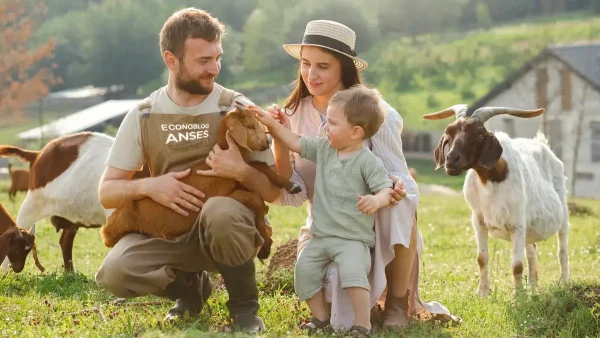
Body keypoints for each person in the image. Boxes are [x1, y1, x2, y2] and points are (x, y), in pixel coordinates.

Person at [94, 8, 281, 333]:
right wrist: (151, 187)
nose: (215, 69)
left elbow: (275, 191)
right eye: (203, 61)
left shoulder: (236, 108)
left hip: (226, 231)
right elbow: (107, 192)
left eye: (217, 58)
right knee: (114, 273)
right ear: (171, 60)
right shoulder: (144, 116)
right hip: (167, 231)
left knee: (220, 212)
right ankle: (190, 291)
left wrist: (243, 172)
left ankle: (245, 310)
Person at [268, 20, 458, 330]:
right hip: (325, 224)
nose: (311, 74)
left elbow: (400, 179)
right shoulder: (293, 115)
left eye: (323, 66)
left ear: (343, 68)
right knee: (326, 284)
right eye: (305, 64)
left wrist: (393, 187)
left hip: (370, 223)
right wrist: (279, 137)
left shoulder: (375, 114)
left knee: (401, 200)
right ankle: (333, 314)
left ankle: (398, 302)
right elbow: (293, 193)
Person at [254, 85, 395, 337]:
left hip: (352, 239)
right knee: (304, 272)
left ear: (355, 132)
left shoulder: (367, 161)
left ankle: (362, 324)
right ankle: (320, 318)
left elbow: (386, 189)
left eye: (331, 122)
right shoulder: (324, 149)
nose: (324, 127)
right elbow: (294, 141)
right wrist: (272, 125)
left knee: (354, 274)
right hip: (321, 236)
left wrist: (377, 200)